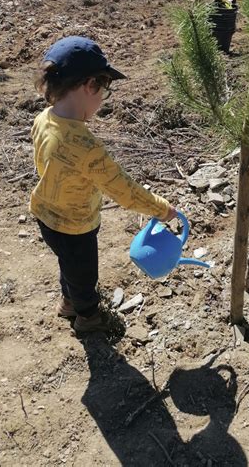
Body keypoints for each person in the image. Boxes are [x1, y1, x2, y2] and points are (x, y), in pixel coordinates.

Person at [30, 36, 177, 333]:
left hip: (45, 214)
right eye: (104, 90)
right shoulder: (85, 147)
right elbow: (123, 189)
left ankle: (68, 302)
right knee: (84, 275)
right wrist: (160, 208)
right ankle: (87, 317)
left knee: (68, 265)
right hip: (76, 226)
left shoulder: (44, 119)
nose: (102, 99)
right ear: (90, 86)